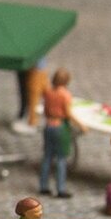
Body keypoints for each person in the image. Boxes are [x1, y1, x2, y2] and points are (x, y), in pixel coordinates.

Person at [38, 68, 74, 198]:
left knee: (47, 157)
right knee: (61, 159)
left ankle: (43, 186)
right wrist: (81, 125)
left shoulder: (48, 92)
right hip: (59, 127)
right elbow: (68, 114)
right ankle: (60, 189)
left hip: (48, 125)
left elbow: (45, 110)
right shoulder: (65, 95)